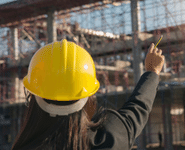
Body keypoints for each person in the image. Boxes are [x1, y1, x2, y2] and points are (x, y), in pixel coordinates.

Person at [11, 39, 165, 150]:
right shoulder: (111, 136)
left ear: (32, 97)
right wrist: (152, 72)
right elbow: (137, 107)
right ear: (89, 96)